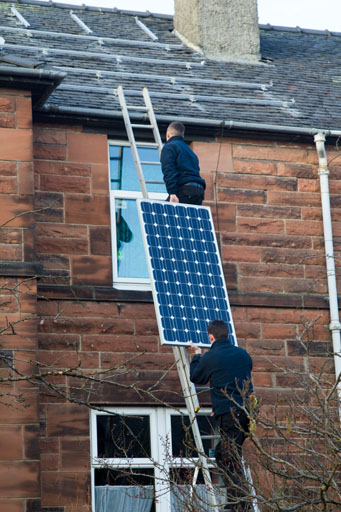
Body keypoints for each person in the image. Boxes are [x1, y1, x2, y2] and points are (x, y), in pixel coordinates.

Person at [189, 320, 253, 512]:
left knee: (228, 457)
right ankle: (236, 501)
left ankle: (241, 504)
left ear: (211, 337)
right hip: (246, 414)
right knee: (227, 454)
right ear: (228, 335)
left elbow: (196, 377)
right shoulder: (244, 355)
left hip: (229, 415)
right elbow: (237, 383)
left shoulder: (212, 356)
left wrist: (197, 355)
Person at [160, 121, 206, 205]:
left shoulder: (169, 147)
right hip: (199, 191)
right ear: (183, 136)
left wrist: (172, 193)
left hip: (184, 190)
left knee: (165, 213)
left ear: (168, 135)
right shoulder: (190, 151)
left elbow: (169, 170)